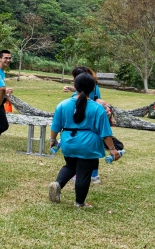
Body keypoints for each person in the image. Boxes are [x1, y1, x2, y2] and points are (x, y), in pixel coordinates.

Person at [48, 73, 120, 209]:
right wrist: (112, 149)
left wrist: (52, 140)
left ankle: (57, 184)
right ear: (93, 88)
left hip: (68, 141)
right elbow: (105, 133)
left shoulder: (62, 104)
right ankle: (80, 202)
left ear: (74, 86)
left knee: (70, 165)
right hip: (89, 144)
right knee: (84, 171)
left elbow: (55, 126)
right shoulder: (98, 108)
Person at [62, 65, 112, 184]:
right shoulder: (88, 86)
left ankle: (92, 174)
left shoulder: (66, 103)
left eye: (75, 79)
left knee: (91, 150)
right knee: (89, 150)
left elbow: (93, 99)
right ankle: (87, 174)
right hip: (84, 121)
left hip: (87, 121)